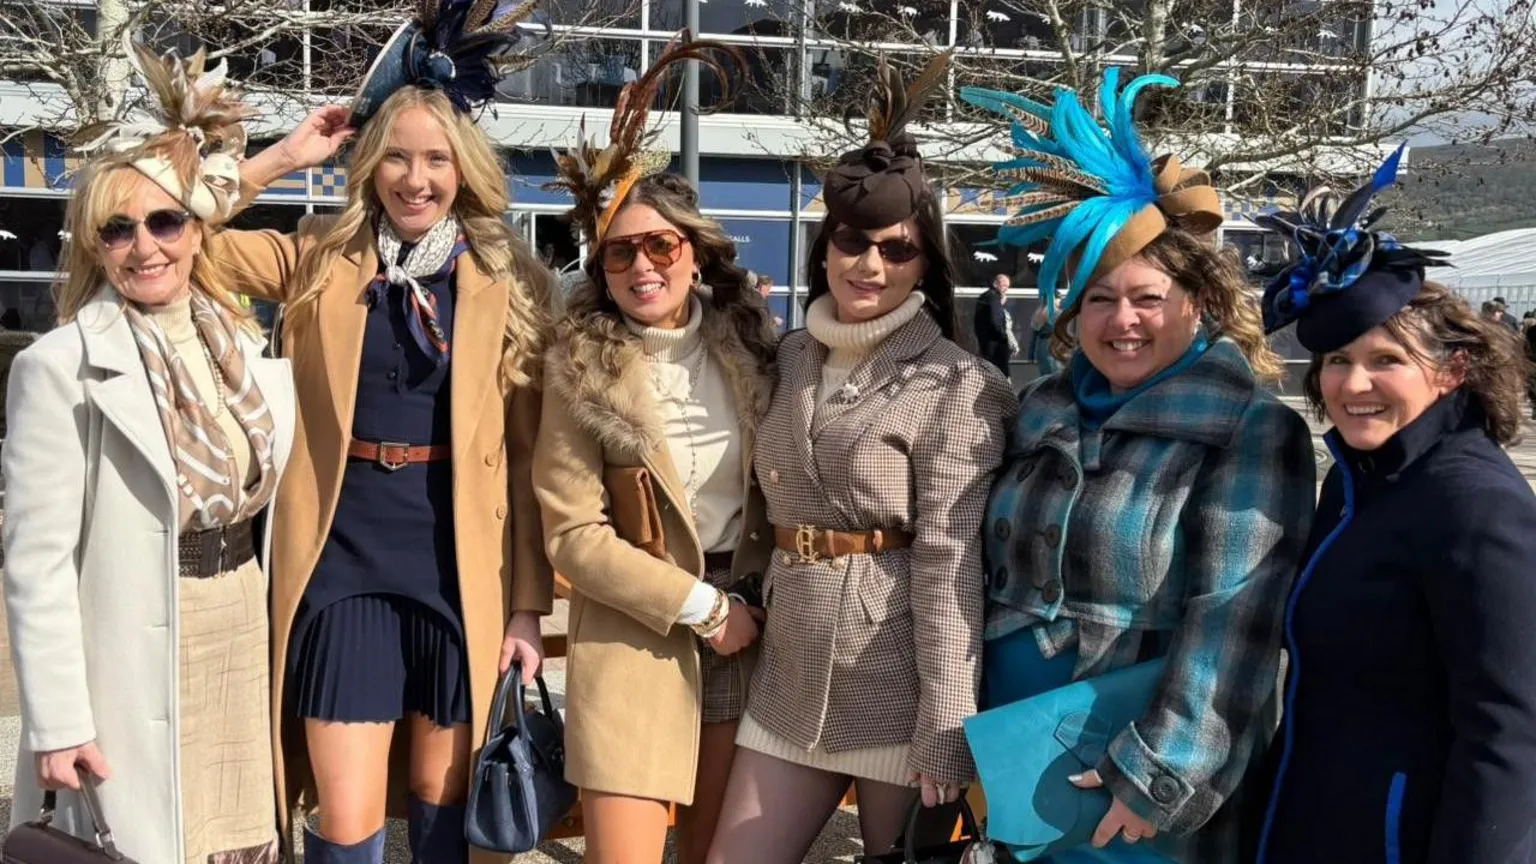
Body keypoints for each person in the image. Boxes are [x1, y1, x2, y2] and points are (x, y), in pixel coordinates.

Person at [204, 2, 555, 860]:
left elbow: (527, 465)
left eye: (436, 159)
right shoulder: (321, 256)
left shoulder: (508, 283)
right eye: (395, 156)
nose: (415, 177)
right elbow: (188, 237)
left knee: (442, 817)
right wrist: (283, 157)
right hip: (342, 561)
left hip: (457, 569)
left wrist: (527, 609)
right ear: (370, 164)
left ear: (464, 171)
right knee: (347, 819)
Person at [961, 70, 1317, 862]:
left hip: (1137, 763)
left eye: (1148, 298)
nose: (1123, 321)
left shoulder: (1248, 430)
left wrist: (1160, 772)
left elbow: (1236, 625)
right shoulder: (1039, 410)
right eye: (1098, 299)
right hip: (1012, 741)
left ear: (1199, 303)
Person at [707, 53, 1017, 863]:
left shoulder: (959, 383)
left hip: (897, 681)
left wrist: (948, 722)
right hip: (791, 674)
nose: (869, 264)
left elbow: (952, 563)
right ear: (825, 246)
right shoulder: (792, 356)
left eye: (897, 249)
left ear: (927, 262)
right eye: (852, 241)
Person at [2, 43, 295, 863]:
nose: (145, 246)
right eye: (118, 228)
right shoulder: (58, 367)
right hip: (132, 639)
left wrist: (289, 153)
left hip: (239, 612)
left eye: (165, 221)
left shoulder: (240, 347)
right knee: (148, 841)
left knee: (238, 831)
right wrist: (58, 724)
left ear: (198, 232)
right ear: (95, 245)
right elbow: (36, 563)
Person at [1253, 150, 1536, 864]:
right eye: (1338, 361)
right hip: (1313, 815)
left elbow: (1511, 731)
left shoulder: (1474, 505)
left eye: (1386, 360)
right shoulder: (1358, 483)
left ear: (1452, 370)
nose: (1355, 383)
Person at [533, 40, 776, 864]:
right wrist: (700, 609)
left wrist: (742, 610)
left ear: (695, 250)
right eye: (621, 251)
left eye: (660, 246)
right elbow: (572, 534)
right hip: (638, 634)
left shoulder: (755, 351)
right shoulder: (578, 366)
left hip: (749, 637)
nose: (642, 265)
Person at [974, 272, 1016, 376]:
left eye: (1007, 286)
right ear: (995, 284)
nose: (1006, 289)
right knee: (1000, 373)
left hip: (985, 342)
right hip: (995, 345)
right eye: (1004, 285)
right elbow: (995, 320)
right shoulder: (994, 297)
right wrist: (1004, 337)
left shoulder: (985, 297)